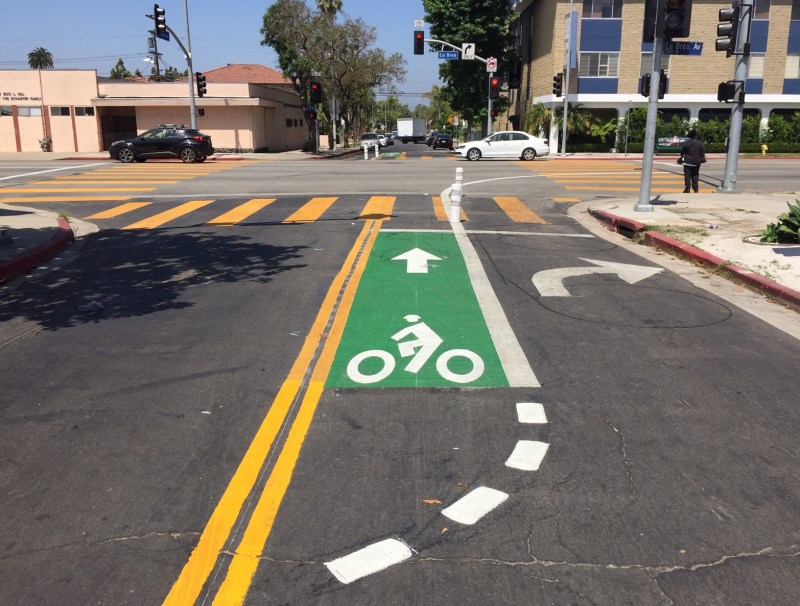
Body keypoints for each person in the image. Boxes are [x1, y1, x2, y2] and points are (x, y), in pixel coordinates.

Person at [679, 129, 706, 193]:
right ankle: (695, 189)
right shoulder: (700, 143)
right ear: (696, 136)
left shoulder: (686, 143)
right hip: (697, 162)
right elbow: (703, 153)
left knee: (687, 176)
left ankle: (687, 189)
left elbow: (682, 152)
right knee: (695, 175)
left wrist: (683, 155)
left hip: (687, 162)